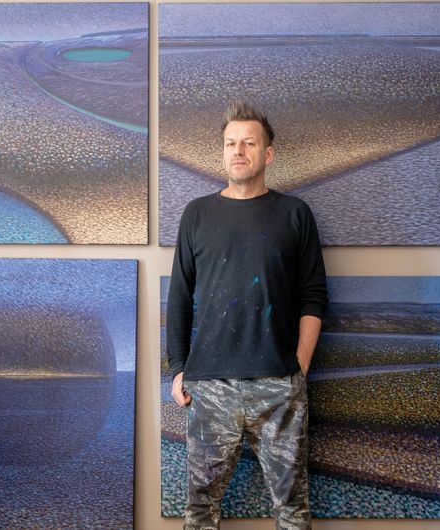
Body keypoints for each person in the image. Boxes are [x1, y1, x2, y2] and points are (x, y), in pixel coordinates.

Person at [166, 101, 328, 530]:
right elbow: (179, 296)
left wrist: (300, 364)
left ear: (267, 154)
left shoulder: (295, 214)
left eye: (249, 143)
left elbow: (314, 295)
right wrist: (178, 369)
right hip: (209, 387)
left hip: (279, 386)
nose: (238, 150)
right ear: (223, 152)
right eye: (230, 143)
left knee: (292, 510)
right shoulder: (196, 214)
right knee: (200, 511)